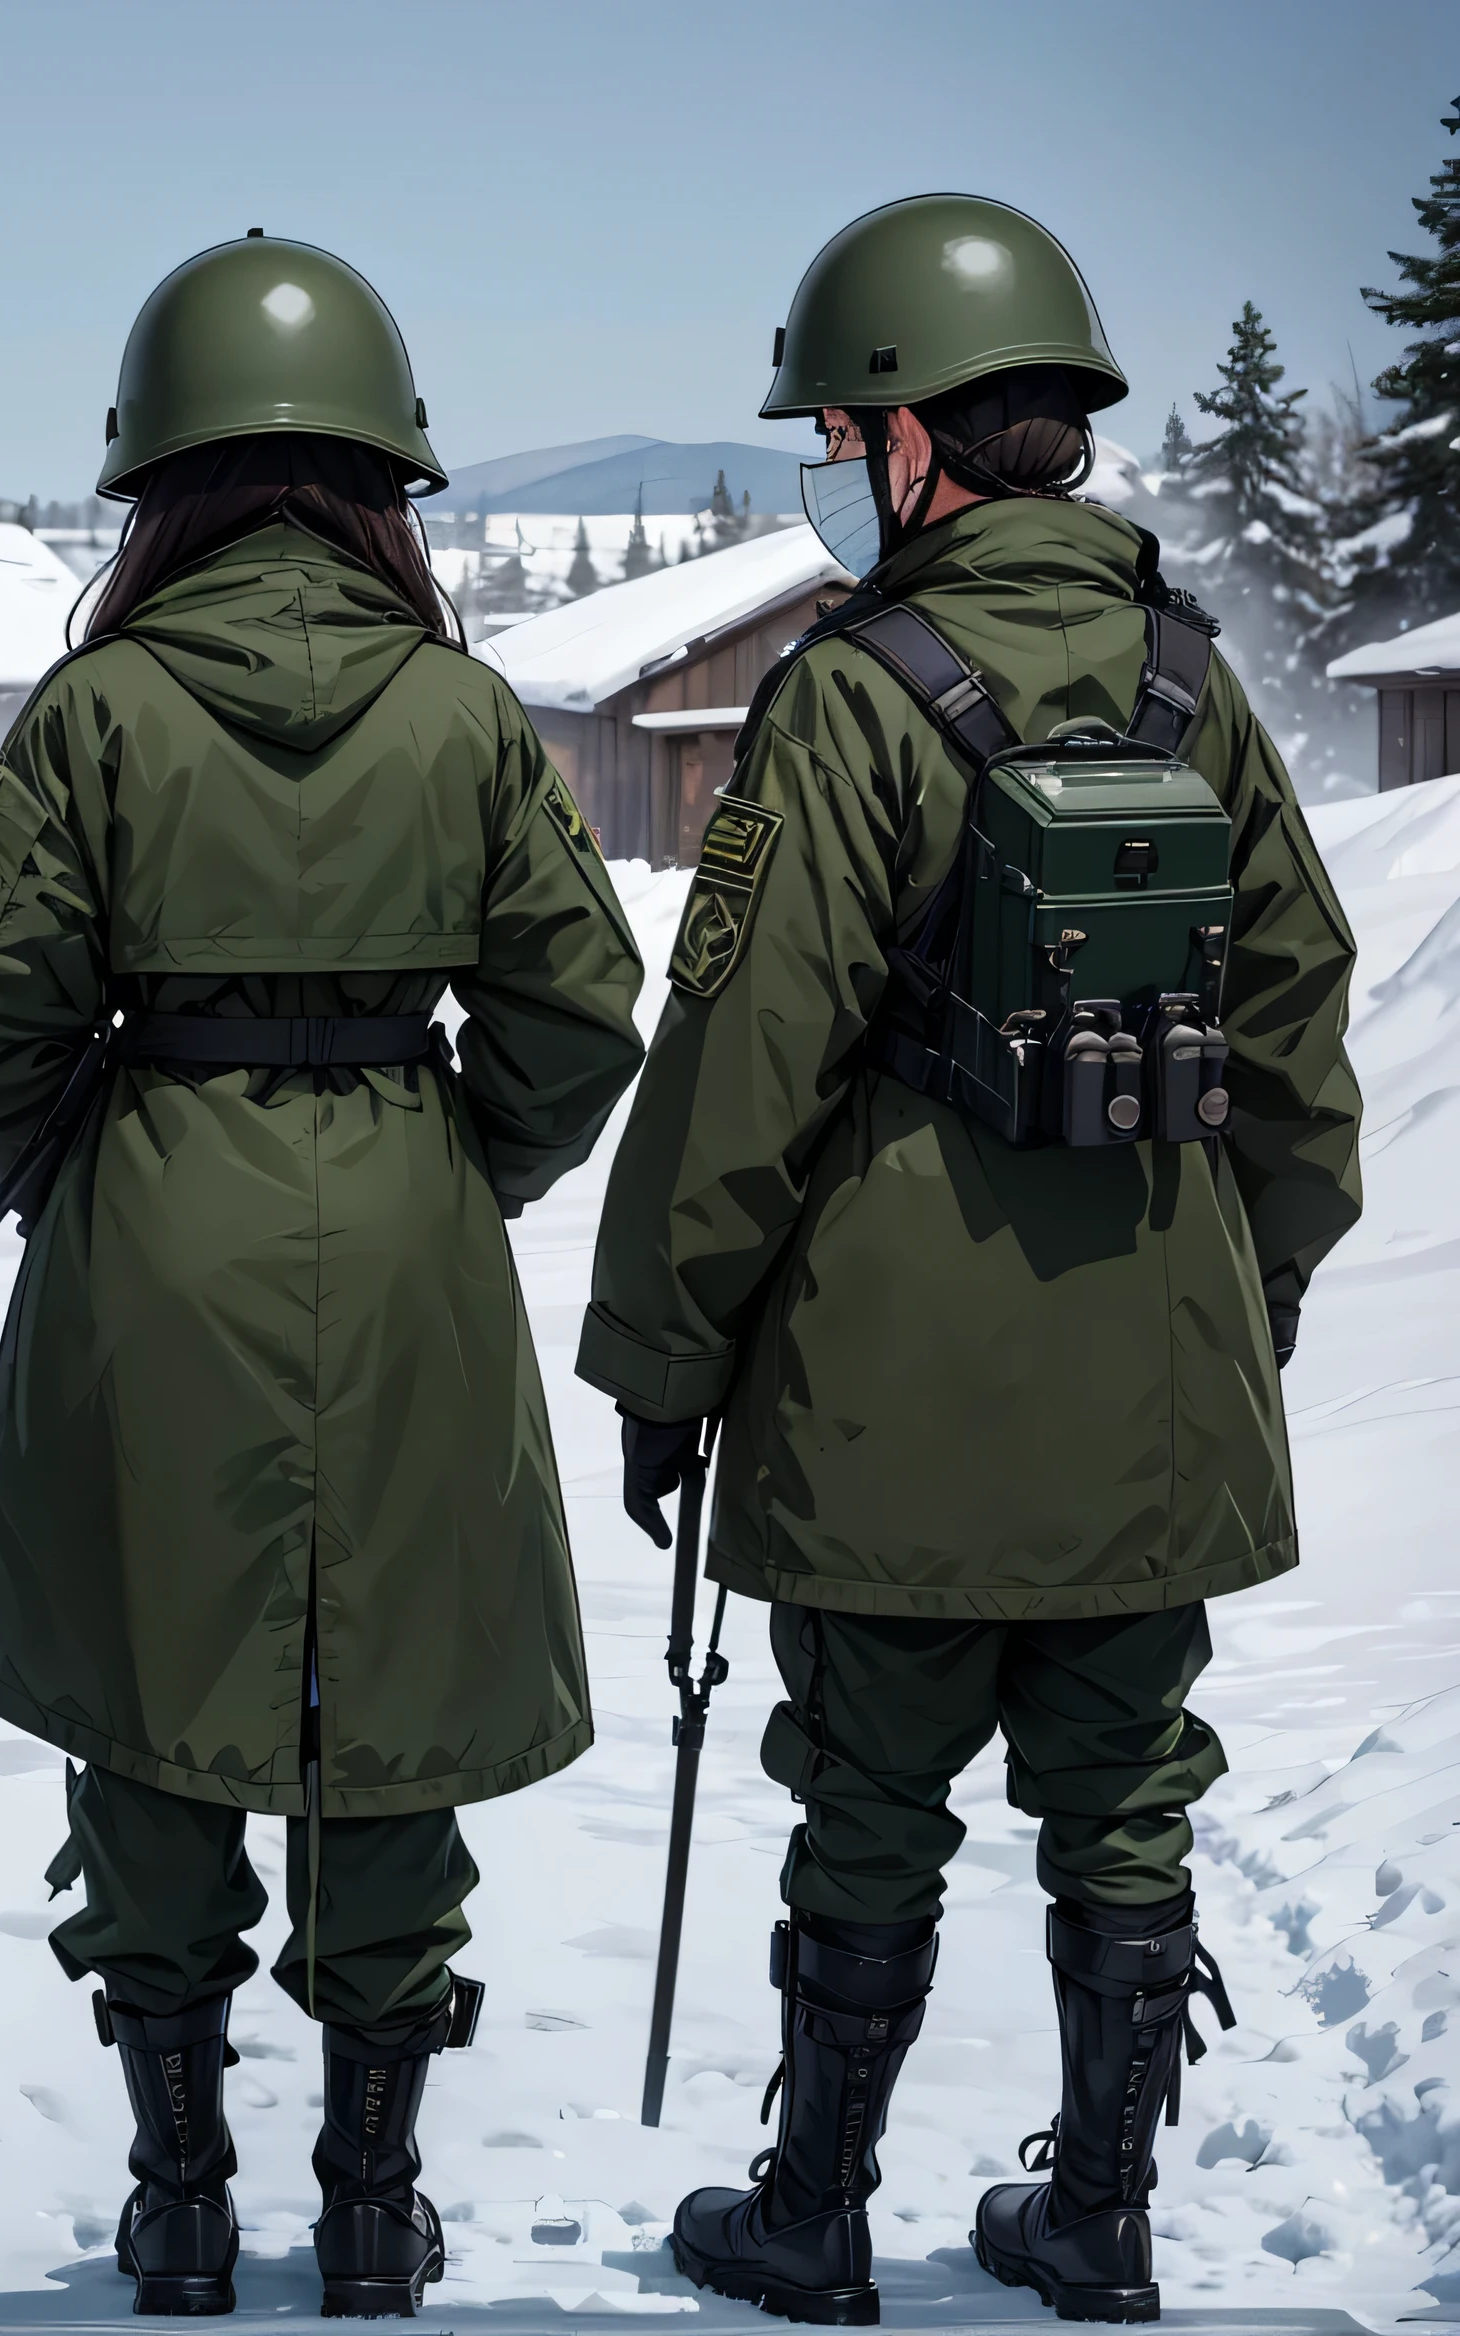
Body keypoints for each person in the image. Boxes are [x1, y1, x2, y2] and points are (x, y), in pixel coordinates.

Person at [583, 194, 1363, 2327]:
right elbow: (1297, 1012)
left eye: (837, 428)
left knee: (865, 1799)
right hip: (1152, 1376)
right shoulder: (1194, 681)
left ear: (915, 439)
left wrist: (665, 1356)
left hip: (881, 1405)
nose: (827, 467)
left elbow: (736, 1063)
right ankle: (1101, 2215)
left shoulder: (844, 700)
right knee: (1121, 1796)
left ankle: (809, 2213)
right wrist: (1247, 1284)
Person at [0, 232, 648, 2321]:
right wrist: (450, 1159)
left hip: (152, 1228)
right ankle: (379, 2206)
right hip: (401, 1230)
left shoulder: (97, 710)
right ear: (383, 476)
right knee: (381, 1698)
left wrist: (74, 1153)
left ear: (161, 472)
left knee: (146, 1688)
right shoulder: (466, 711)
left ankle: (178, 2195)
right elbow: (582, 1008)